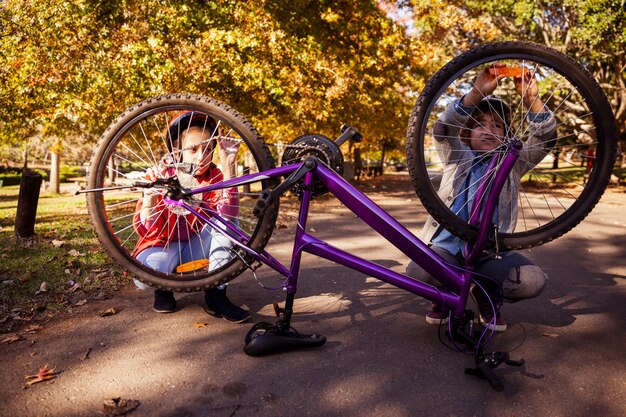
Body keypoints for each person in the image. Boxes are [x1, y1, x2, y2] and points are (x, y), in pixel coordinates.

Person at [406, 65, 557, 332]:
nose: (488, 131)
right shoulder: (456, 155)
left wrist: (532, 100)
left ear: (506, 133)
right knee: (418, 271)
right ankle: (446, 294)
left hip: (491, 252)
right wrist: (476, 93)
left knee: (532, 280)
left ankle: (487, 294)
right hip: (447, 247)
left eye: (496, 125)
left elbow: (546, 139)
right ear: (468, 132)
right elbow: (443, 129)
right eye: (480, 125)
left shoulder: (514, 162)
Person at [132, 112, 250, 323]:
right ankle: (163, 288)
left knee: (230, 223)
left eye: (207, 149)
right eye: (193, 149)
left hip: (196, 245)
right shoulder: (162, 175)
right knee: (144, 278)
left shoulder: (214, 177)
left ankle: (216, 294)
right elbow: (147, 229)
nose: (200, 156)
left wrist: (229, 164)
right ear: (177, 151)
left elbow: (228, 214)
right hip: (163, 246)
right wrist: (149, 198)